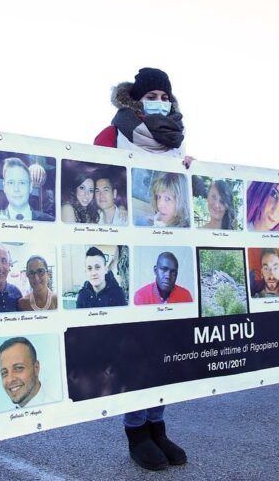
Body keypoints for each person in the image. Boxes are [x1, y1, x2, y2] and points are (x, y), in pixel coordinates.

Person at [94, 67, 188, 471]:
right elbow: (96, 177)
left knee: (162, 348)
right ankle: (136, 433)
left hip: (165, 244)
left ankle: (158, 427)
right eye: (151, 96)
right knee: (136, 348)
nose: (159, 102)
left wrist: (190, 170)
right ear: (136, 100)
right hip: (130, 249)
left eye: (165, 97)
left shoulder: (174, 141)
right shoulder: (113, 134)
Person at [0, 157, 54, 221]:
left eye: (22, 182)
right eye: (11, 183)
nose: (16, 189)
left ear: (30, 187)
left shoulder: (48, 221)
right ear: (4, 187)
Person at [0, 336, 55, 409]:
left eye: (18, 368)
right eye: (4, 373)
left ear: (36, 368)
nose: (10, 379)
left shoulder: (56, 409)